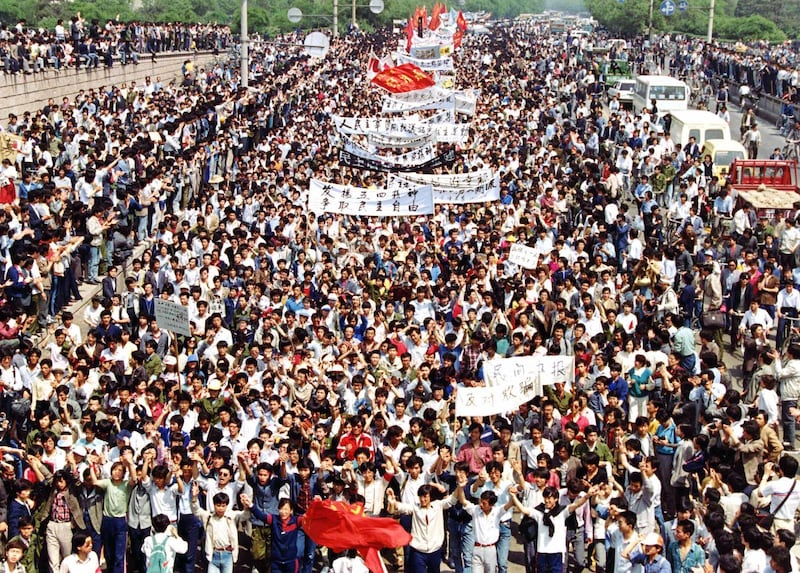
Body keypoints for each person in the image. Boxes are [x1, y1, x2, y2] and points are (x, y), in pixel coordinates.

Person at [508, 484, 600, 573]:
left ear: (556, 499)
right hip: (542, 552)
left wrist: (588, 495)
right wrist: (513, 496)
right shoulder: (539, 512)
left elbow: (576, 504)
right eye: (545, 498)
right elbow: (523, 510)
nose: (547, 501)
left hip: (557, 552)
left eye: (549, 498)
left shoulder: (562, 511)